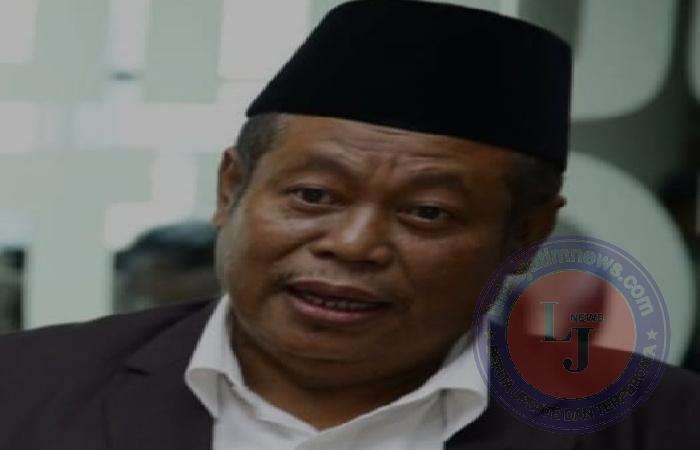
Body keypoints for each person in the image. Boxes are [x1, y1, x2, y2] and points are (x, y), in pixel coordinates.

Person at [1, 1, 699, 449]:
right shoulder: (23, 390)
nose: (354, 244)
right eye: (313, 196)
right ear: (230, 189)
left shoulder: (663, 424)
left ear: (526, 236)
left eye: (427, 212)